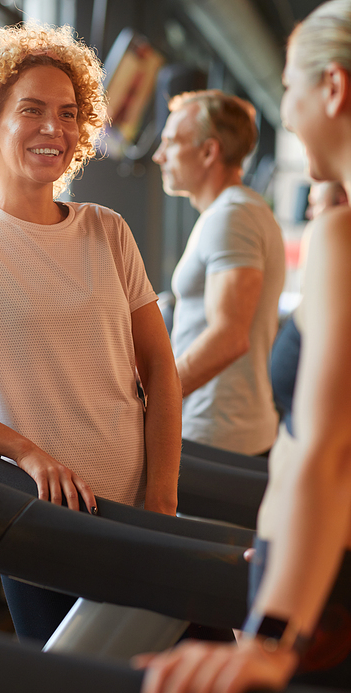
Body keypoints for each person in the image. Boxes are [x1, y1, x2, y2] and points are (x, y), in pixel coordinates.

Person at [0, 23, 182, 642]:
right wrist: (24, 451)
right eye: (33, 111)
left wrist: (162, 502)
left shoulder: (108, 229)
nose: (55, 129)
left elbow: (160, 374)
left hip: (137, 513)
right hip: (45, 517)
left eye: (69, 114)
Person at [136, 1, 351, 693]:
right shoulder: (329, 226)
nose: (284, 115)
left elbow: (326, 449)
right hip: (309, 556)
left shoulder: (336, 235)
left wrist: (270, 635)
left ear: (333, 91)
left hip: (323, 584)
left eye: (288, 89)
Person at [153, 91, 286, 455]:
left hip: (217, 432)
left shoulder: (233, 216)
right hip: (223, 426)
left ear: (209, 152)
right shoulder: (233, 211)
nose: (158, 156)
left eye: (170, 143)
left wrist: (152, 404)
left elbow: (229, 336)